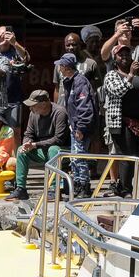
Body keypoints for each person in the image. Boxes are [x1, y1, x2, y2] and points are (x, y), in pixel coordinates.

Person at [100, 46, 139, 199]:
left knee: (138, 155)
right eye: (121, 55)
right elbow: (117, 91)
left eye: (127, 54)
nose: (125, 57)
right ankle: (125, 189)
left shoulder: (138, 75)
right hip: (122, 123)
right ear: (115, 59)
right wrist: (130, 75)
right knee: (126, 156)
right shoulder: (111, 75)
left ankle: (128, 185)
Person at [11, 90, 68, 202]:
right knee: (21, 151)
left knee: (53, 150)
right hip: (42, 150)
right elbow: (28, 134)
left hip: (62, 150)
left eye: (33, 106)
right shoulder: (33, 114)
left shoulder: (60, 112)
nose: (30, 109)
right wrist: (27, 143)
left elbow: (58, 139)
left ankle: (55, 189)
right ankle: (20, 188)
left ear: (43, 104)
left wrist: (35, 144)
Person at [56, 53, 96, 199]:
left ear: (66, 67)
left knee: (79, 157)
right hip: (74, 125)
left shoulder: (80, 82)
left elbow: (85, 107)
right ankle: (78, 186)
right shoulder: (70, 81)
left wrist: (81, 128)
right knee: (74, 158)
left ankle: (84, 187)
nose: (59, 68)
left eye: (61, 66)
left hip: (80, 128)